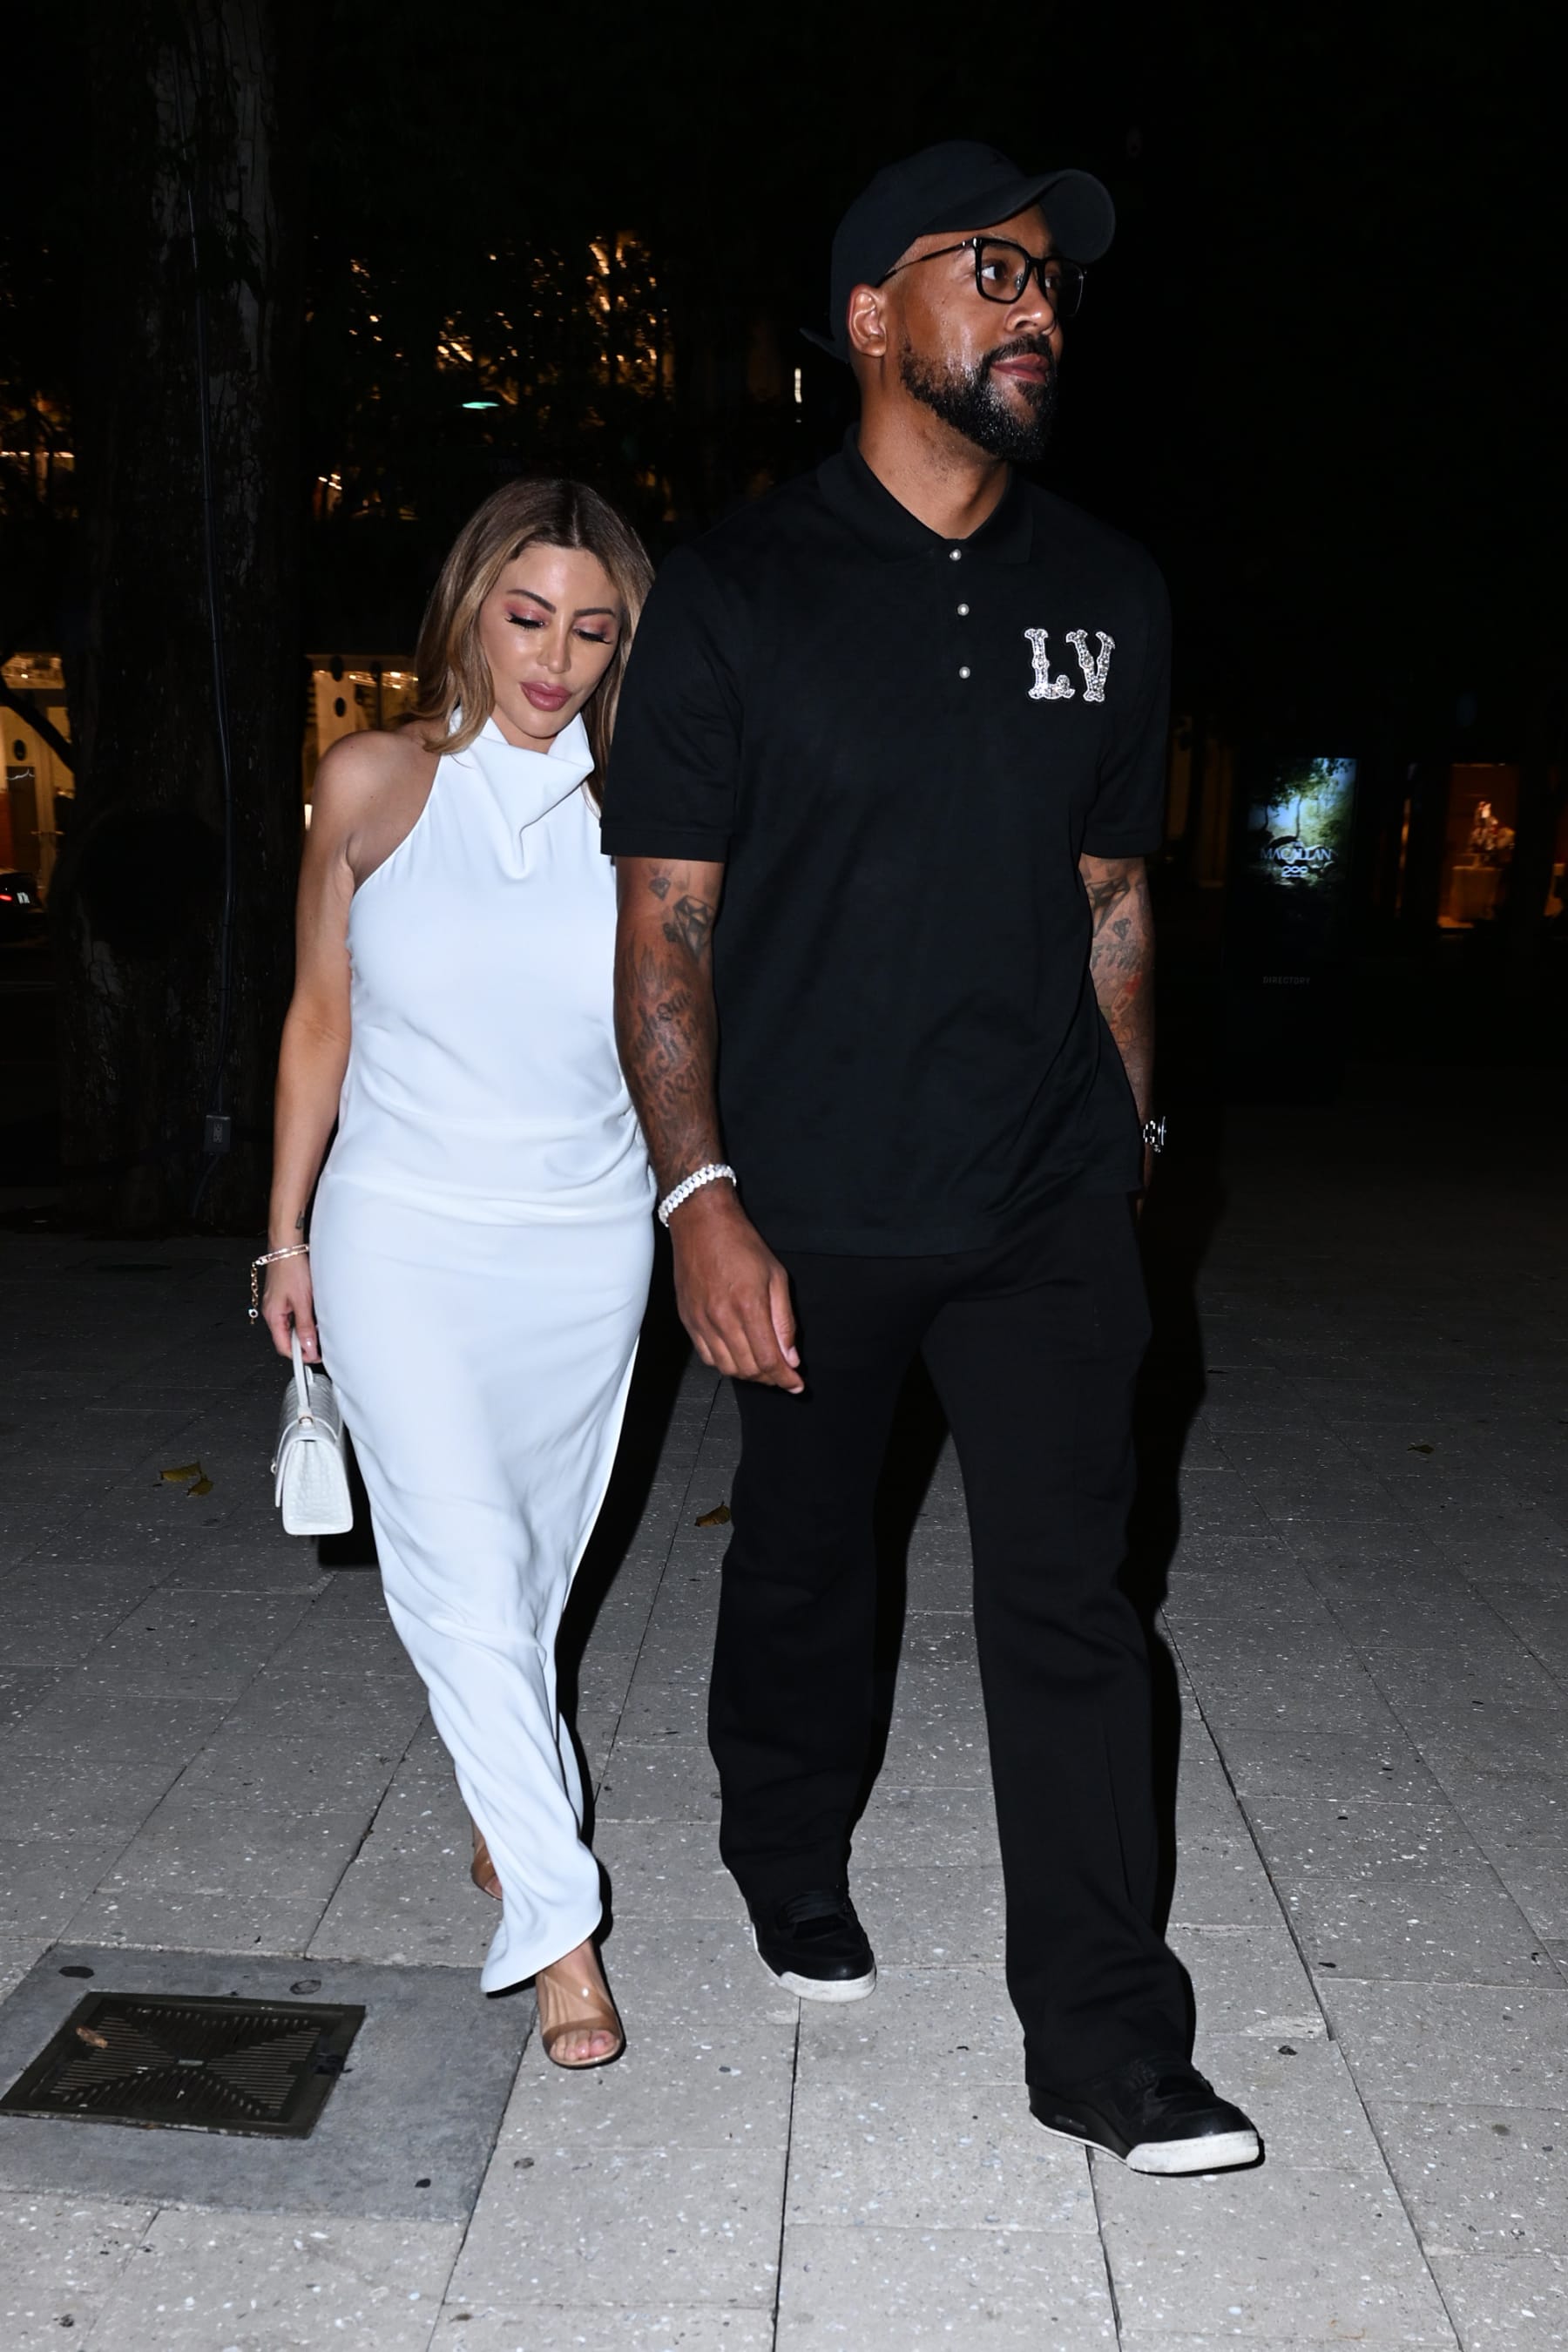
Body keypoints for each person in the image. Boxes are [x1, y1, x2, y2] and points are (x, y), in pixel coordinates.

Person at [602, 142, 1260, 2171]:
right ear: (873, 319)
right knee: (810, 1563)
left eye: (1052, 278)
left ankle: (1109, 2046)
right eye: (991, 272)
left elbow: (1113, 900)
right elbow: (669, 927)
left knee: (1075, 1603)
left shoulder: (1110, 592)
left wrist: (1131, 1138)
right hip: (806, 1200)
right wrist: (701, 1199)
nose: (1039, 305)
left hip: (1049, 1189)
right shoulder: (733, 595)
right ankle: (789, 1847)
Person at [260, 479, 655, 2068]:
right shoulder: (373, 782)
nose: (553, 658)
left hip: (584, 1243)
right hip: (401, 1233)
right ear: (471, 606)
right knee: (461, 1565)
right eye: (526, 616)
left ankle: (512, 1803)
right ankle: (561, 1937)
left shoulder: (654, 810)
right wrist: (284, 1232)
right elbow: (316, 1026)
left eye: (592, 628)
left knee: (532, 1578)